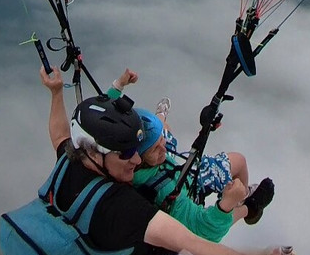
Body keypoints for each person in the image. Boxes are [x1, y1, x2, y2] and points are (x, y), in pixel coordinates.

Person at [0, 68, 300, 255]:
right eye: (127, 154)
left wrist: (55, 94)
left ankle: (242, 204)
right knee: (167, 238)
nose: (137, 159)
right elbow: (194, 242)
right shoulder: (122, 208)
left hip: (76, 236)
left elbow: (60, 134)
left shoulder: (74, 157)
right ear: (97, 153)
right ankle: (249, 206)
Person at [108, 68, 274, 224]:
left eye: (161, 143)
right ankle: (244, 203)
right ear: (136, 159)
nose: (163, 149)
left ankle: (160, 117)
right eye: (156, 148)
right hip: (186, 185)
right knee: (239, 161)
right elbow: (204, 228)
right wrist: (228, 204)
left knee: (163, 129)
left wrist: (118, 86)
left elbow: (104, 116)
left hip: (168, 169)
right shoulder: (165, 191)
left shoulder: (116, 151)